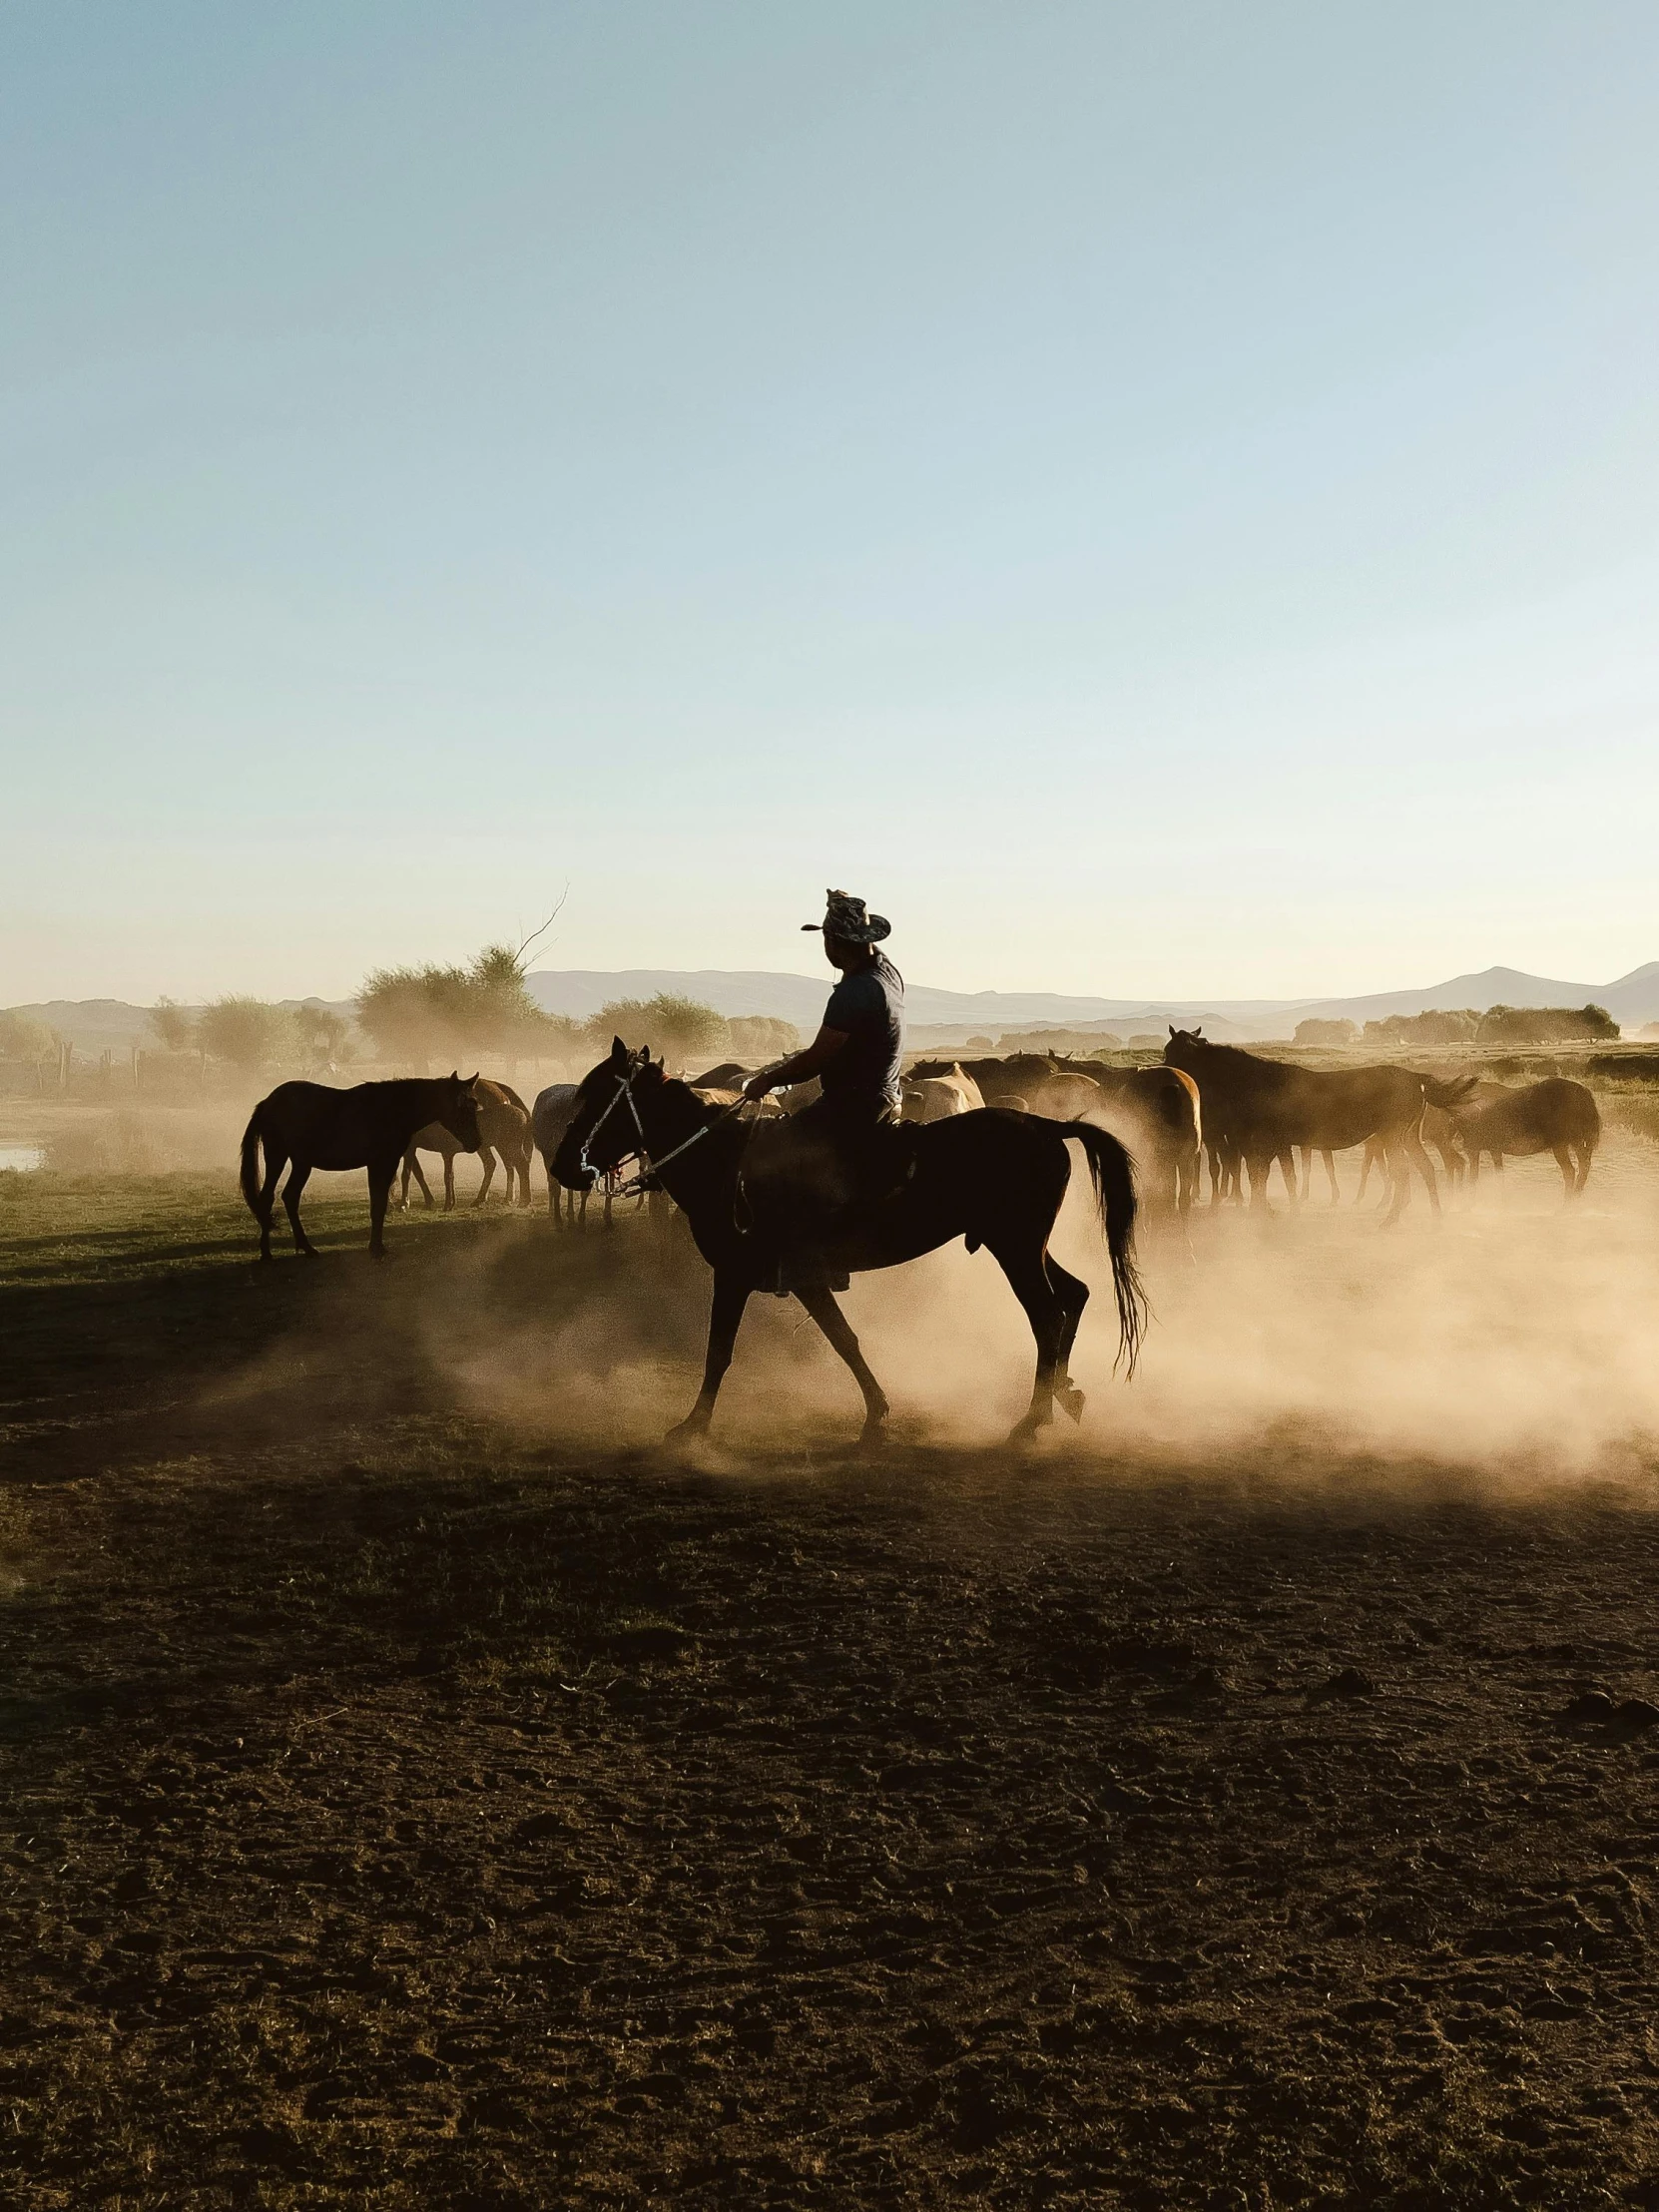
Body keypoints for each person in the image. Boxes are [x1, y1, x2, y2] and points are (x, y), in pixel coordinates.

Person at [739, 889, 910, 1280]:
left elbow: (818, 1058)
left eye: (825, 938)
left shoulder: (852, 993)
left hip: (854, 1104)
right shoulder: (886, 970)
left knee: (771, 1154)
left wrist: (769, 1078)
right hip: (887, 1096)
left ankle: (802, 1257)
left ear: (833, 943)